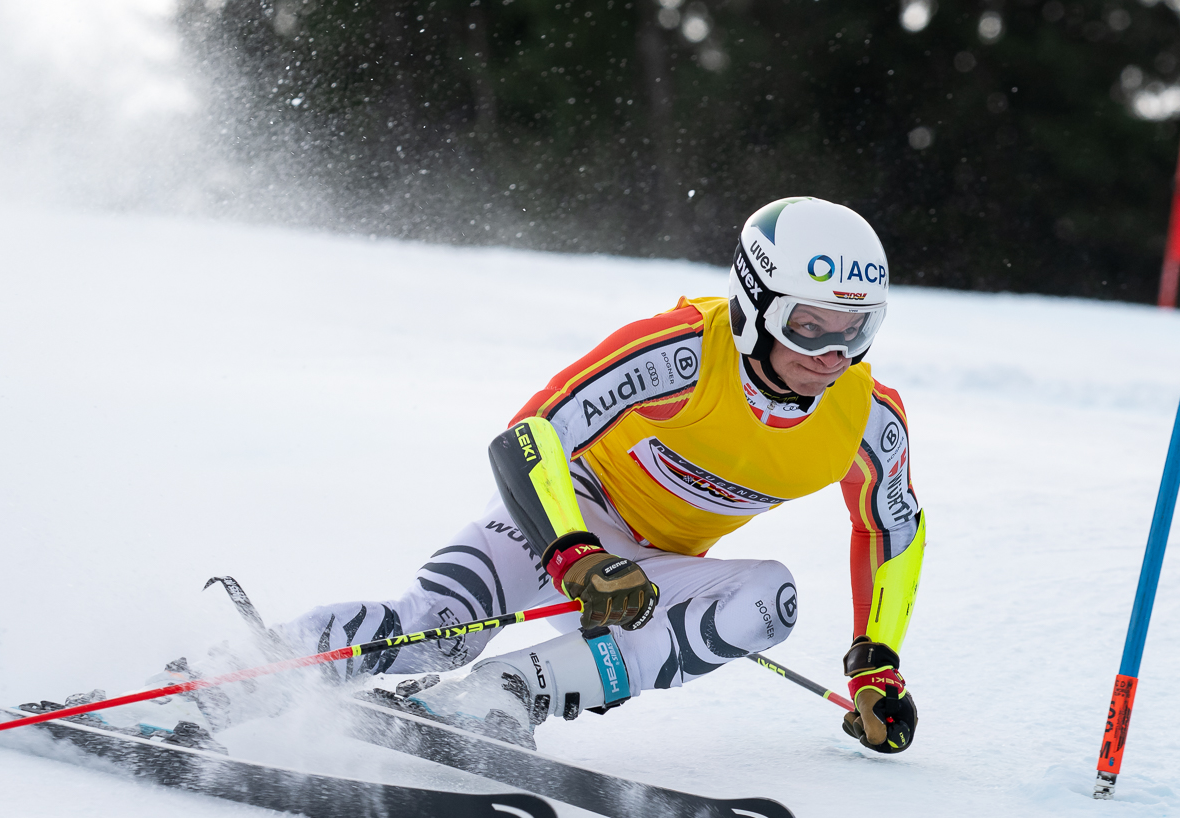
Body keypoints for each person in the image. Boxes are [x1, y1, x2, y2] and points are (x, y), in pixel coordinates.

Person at [262, 197, 922, 752]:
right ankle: (245, 666)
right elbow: (529, 435)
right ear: (755, 305)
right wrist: (573, 551)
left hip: (646, 576)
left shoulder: (866, 417)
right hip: (563, 522)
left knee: (771, 598)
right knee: (441, 629)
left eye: (856, 330)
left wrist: (876, 661)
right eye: (807, 327)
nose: (832, 355)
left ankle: (507, 693)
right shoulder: (682, 352)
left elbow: (892, 527)